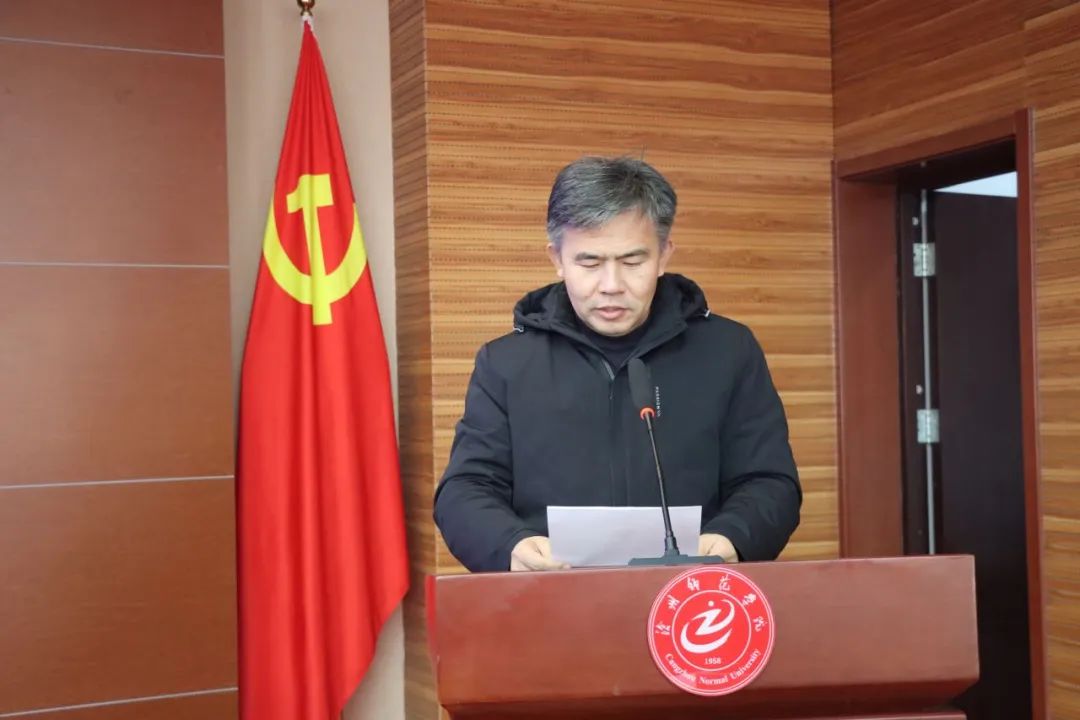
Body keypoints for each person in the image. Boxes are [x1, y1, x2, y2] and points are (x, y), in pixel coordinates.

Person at [433, 156, 801, 573]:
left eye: (632, 262)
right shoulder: (506, 363)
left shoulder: (728, 350)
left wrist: (734, 534)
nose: (611, 286)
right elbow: (464, 490)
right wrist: (510, 544)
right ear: (557, 258)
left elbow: (770, 482)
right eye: (589, 263)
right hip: (550, 595)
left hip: (690, 593)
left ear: (664, 255)